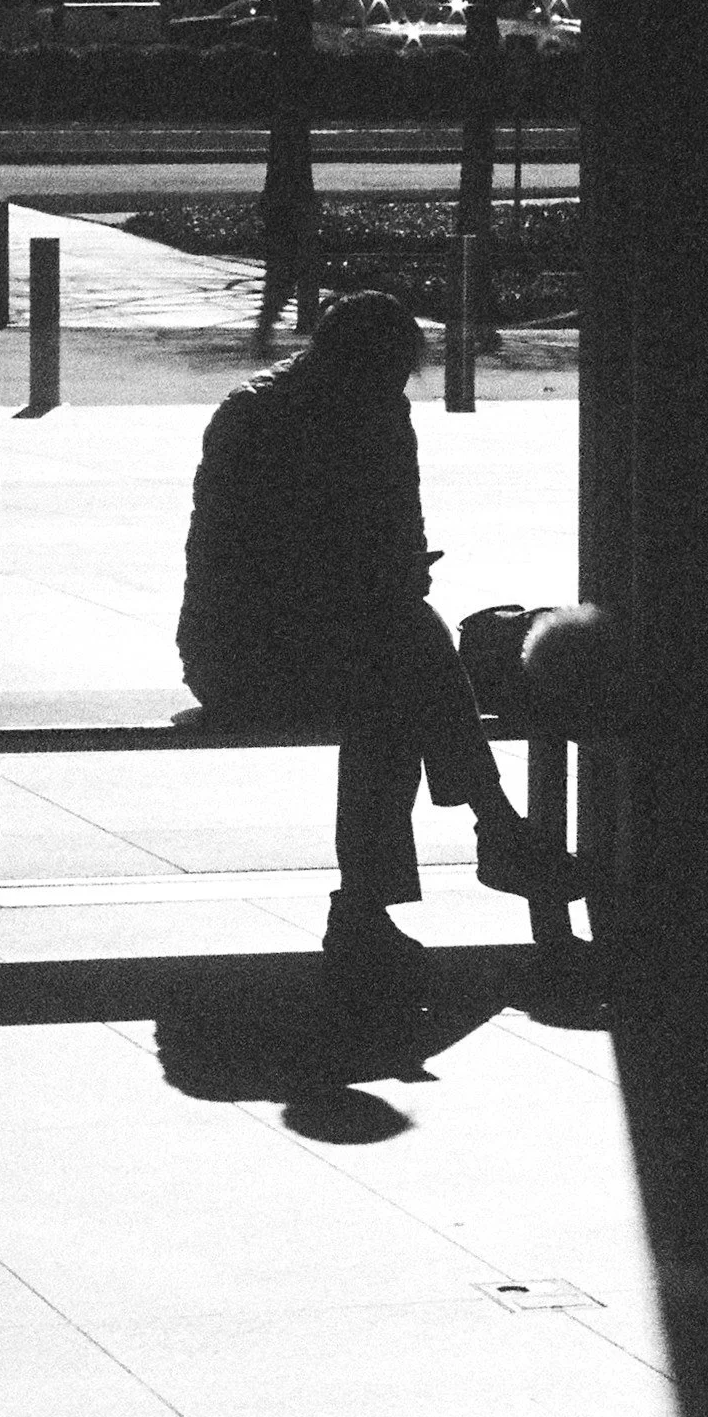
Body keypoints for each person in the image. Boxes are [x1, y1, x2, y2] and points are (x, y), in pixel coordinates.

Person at [176, 286, 568, 993]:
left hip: (315, 642)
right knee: (404, 653)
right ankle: (487, 830)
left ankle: (395, 889)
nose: (395, 390)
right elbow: (247, 565)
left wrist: (380, 572)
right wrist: (372, 573)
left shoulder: (362, 413)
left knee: (394, 669)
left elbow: (392, 549)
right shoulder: (260, 419)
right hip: (242, 652)